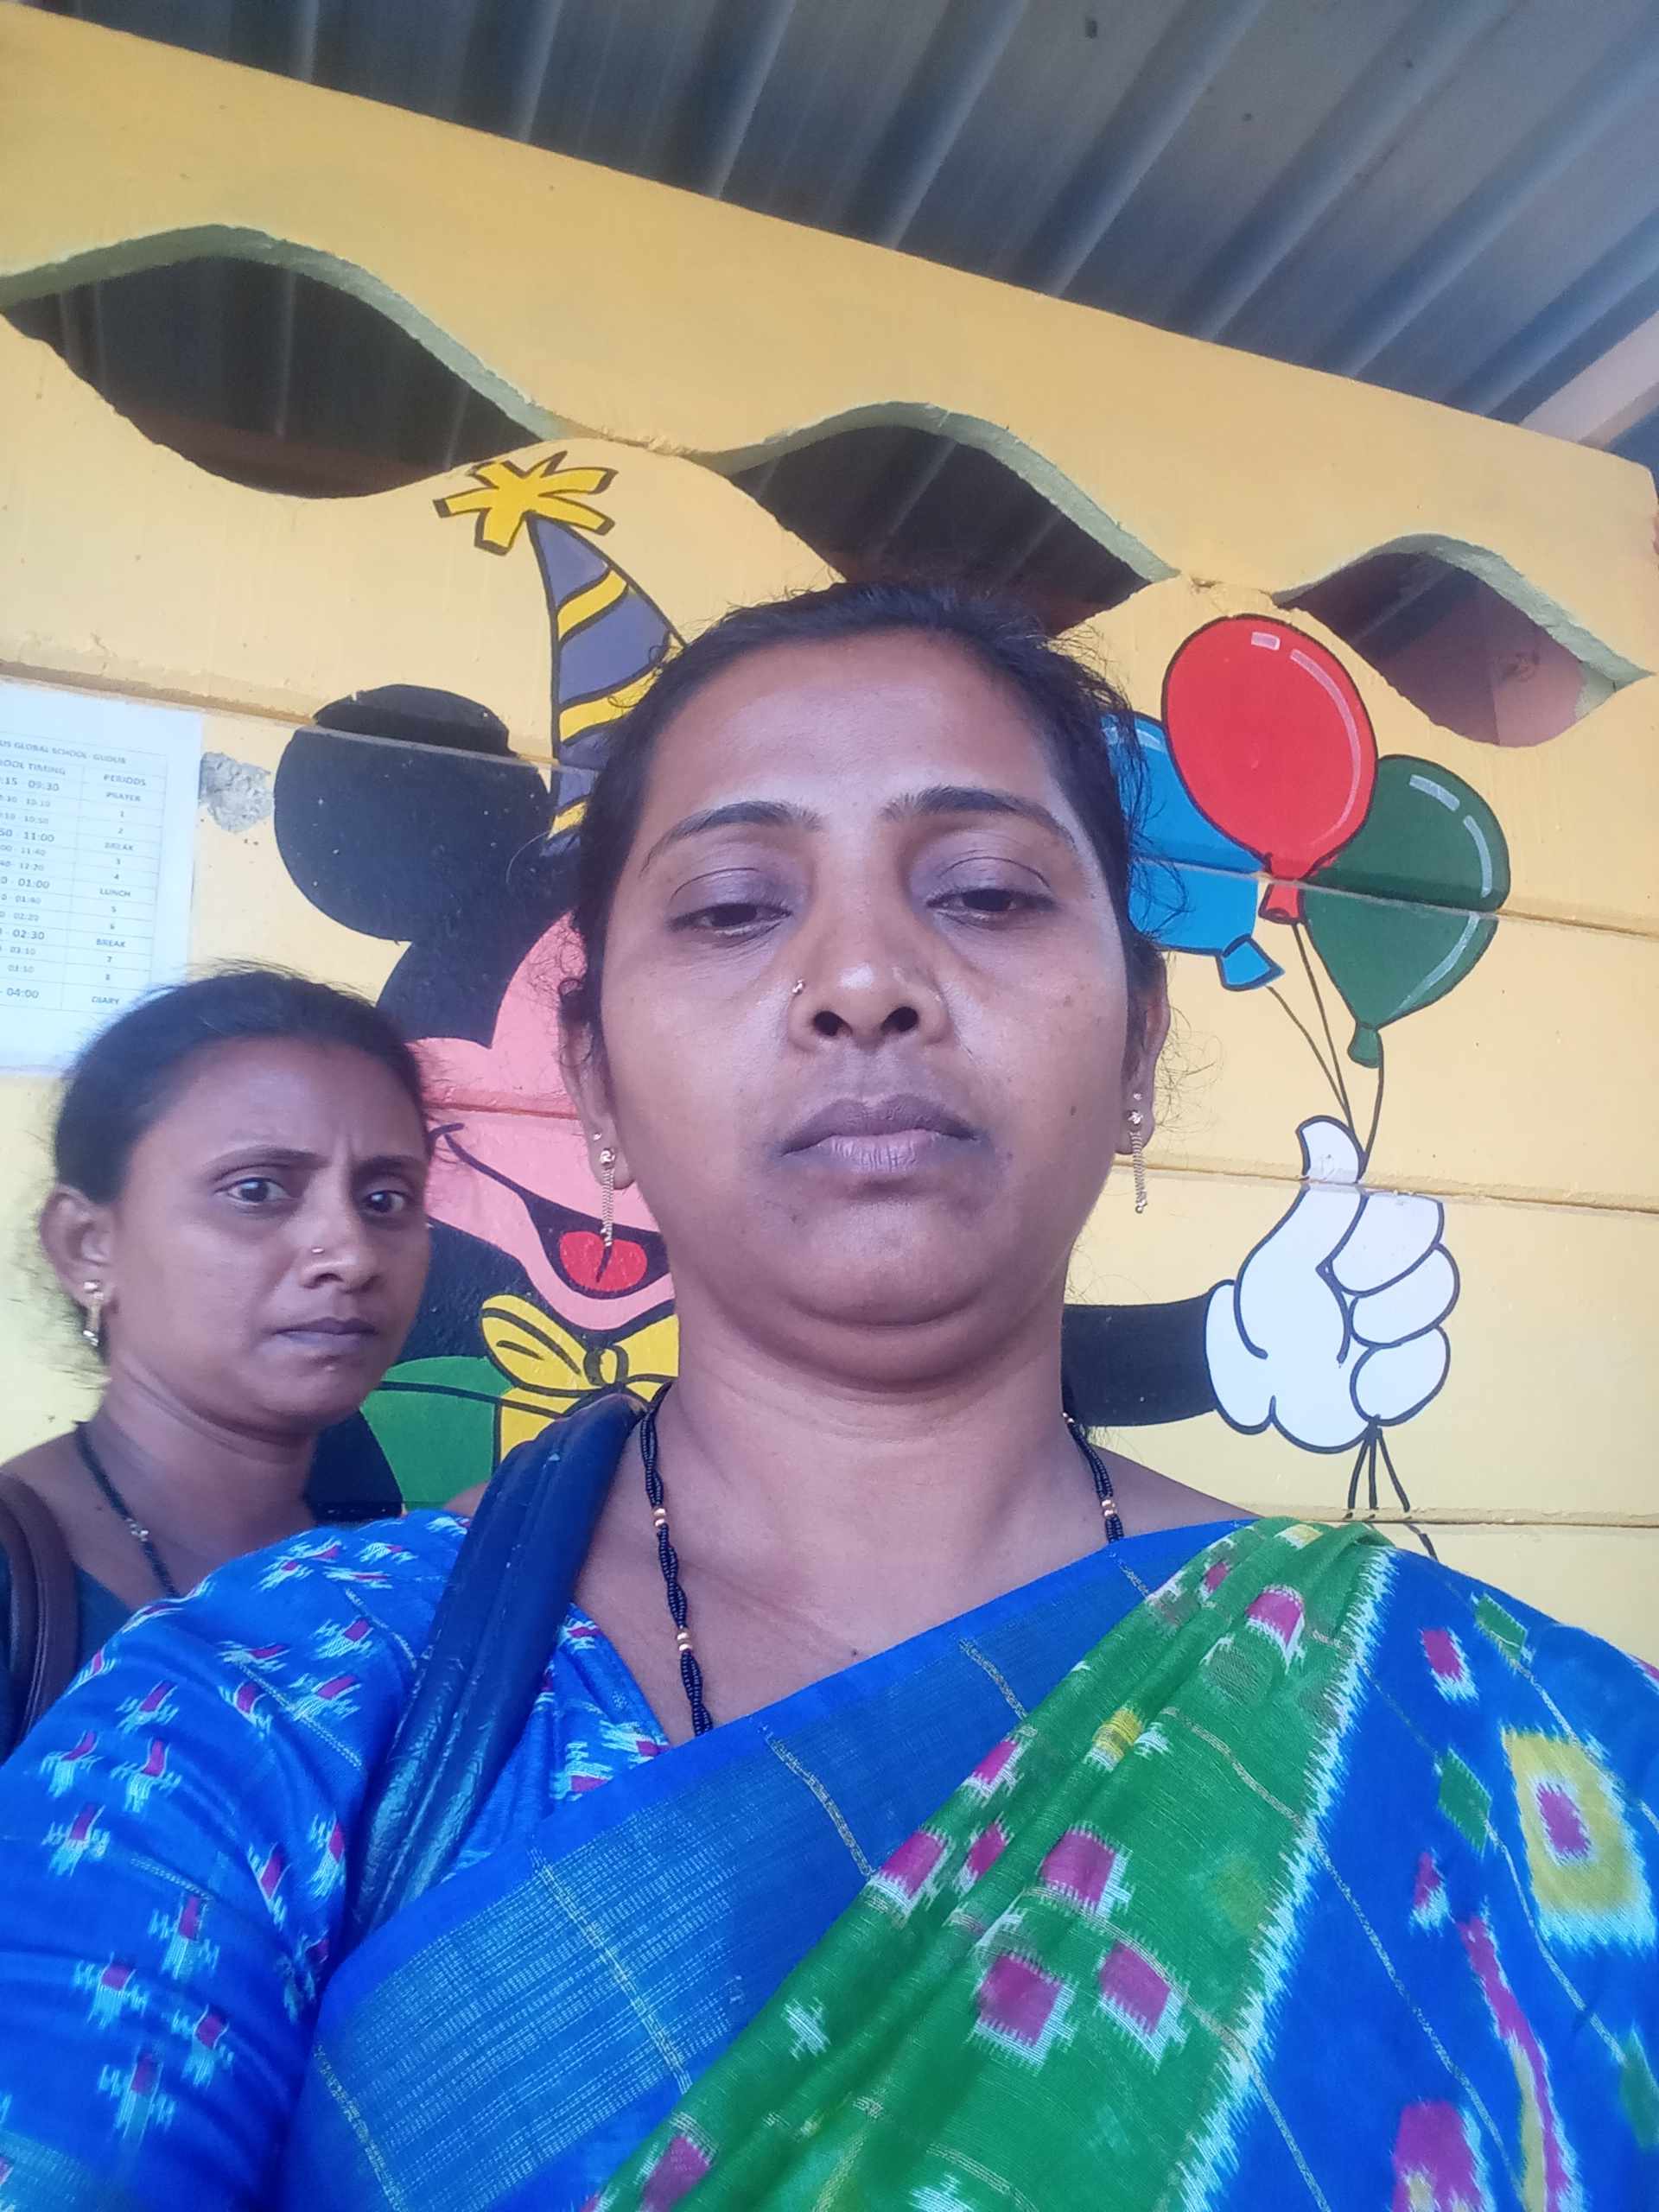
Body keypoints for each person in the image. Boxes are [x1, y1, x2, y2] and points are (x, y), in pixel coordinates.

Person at [0, 584, 1652, 2210]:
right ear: (593, 1086)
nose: (864, 978)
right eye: (733, 909)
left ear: (1140, 1046)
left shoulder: (1482, 1733)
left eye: (987, 892)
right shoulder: (259, 1726)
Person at [0, 968, 431, 1747]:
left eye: (385, 1200)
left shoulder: (396, 1548)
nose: (352, 1254)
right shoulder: (22, 1577)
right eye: (257, 1190)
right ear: (86, 1245)